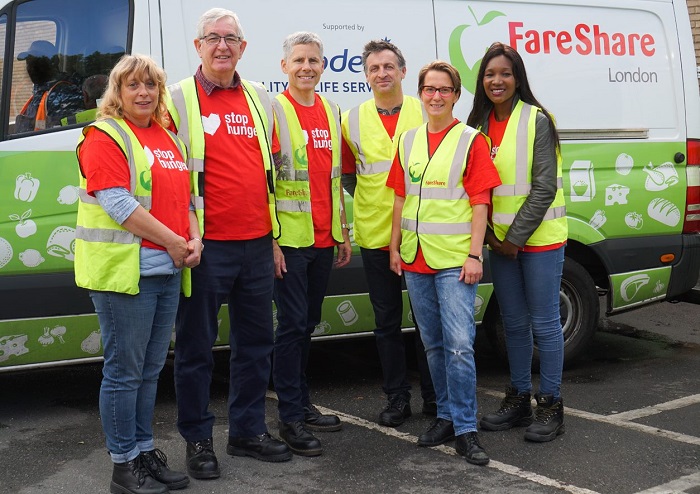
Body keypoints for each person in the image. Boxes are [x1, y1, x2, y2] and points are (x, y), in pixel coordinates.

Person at [166, 7, 291, 480]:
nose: (222, 45)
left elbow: (272, 174)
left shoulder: (262, 98)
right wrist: (184, 238)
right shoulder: (175, 98)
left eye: (231, 38)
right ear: (197, 46)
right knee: (197, 348)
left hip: (257, 244)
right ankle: (198, 438)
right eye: (212, 37)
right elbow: (167, 175)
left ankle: (247, 431)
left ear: (244, 46)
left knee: (257, 343)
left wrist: (274, 240)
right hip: (205, 247)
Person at [74, 54, 199, 494]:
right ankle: (123, 466)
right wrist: (174, 241)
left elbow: (187, 200)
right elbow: (119, 205)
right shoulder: (105, 135)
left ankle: (144, 451)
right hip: (125, 274)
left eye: (151, 85)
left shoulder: (168, 136)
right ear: (117, 92)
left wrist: (193, 238)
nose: (143, 92)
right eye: (133, 86)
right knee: (124, 373)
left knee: (148, 371)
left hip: (167, 268)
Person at [388, 60, 501, 466]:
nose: (436, 96)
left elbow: (480, 203)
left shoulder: (471, 140)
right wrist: (394, 247)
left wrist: (474, 255)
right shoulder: (408, 140)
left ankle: (467, 430)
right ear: (420, 93)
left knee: (458, 348)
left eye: (444, 90)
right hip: (416, 259)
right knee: (433, 345)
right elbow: (401, 198)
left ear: (456, 96)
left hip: (456, 262)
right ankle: (446, 417)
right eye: (429, 89)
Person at [467, 42, 568, 443]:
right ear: (482, 81)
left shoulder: (537, 120)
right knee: (513, 324)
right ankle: (519, 400)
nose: (497, 80)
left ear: (518, 78)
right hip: (500, 243)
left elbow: (543, 188)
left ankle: (552, 406)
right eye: (490, 74)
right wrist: (492, 237)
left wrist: (511, 239)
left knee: (545, 323)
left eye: (505, 73)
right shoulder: (476, 124)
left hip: (538, 240)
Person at [341, 40, 436, 427]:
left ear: (402, 70)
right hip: (375, 233)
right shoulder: (352, 119)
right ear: (366, 76)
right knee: (386, 324)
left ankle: (434, 397)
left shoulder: (426, 108)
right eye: (373, 68)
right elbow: (349, 175)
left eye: (388, 66)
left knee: (428, 323)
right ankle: (397, 398)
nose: (381, 73)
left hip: (420, 234)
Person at [271, 31, 352, 457]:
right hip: (290, 240)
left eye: (314, 60)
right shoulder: (273, 112)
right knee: (292, 325)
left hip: (324, 238)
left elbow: (333, 177)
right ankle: (290, 417)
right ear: (284, 66)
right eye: (299, 60)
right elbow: (264, 183)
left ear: (324, 67)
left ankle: (301, 403)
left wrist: (342, 230)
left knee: (307, 324)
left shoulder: (332, 110)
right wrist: (272, 240)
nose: (307, 67)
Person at [15, 40, 83, 133]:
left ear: (53, 62)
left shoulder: (63, 95)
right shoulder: (39, 93)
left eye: (36, 63)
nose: (31, 67)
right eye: (28, 62)